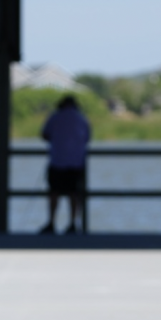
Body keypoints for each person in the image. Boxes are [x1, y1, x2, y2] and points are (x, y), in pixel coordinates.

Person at [39, 96, 91, 234]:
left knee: (54, 192)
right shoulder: (81, 118)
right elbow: (87, 137)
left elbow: (44, 134)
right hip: (76, 162)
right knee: (74, 193)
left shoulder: (55, 117)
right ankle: (73, 224)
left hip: (57, 160)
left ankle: (51, 222)